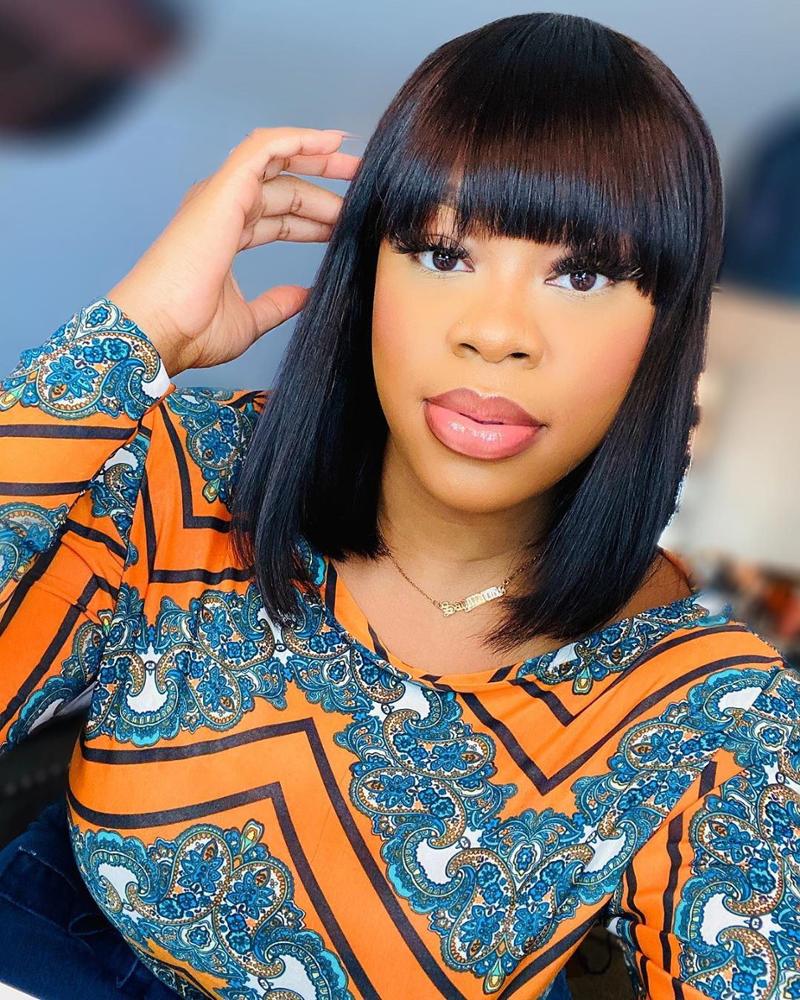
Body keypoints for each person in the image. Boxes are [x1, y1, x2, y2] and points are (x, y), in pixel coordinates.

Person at [0, 12, 797, 1000]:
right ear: (366, 270)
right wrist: (136, 332)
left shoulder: (715, 710)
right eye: (441, 254)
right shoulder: (188, 474)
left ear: (665, 328)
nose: (495, 333)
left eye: (582, 274)